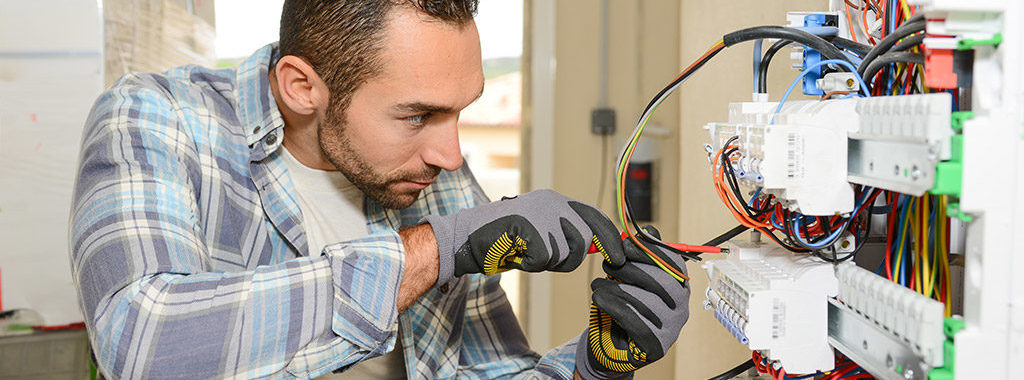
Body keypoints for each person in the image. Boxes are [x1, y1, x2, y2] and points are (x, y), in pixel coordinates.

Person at [69, 1, 689, 378]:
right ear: (301, 87)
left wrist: (595, 364)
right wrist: (432, 252)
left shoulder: (430, 178)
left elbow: (486, 371)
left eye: (459, 112)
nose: (450, 156)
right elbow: (141, 341)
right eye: (418, 115)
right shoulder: (157, 119)